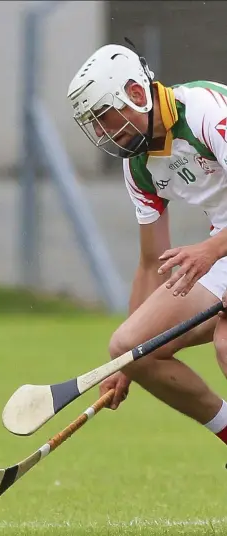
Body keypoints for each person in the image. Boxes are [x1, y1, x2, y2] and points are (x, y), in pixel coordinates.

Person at [67, 43, 227, 447]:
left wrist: (208, 250)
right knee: (126, 344)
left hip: (220, 249)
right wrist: (129, 362)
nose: (104, 132)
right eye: (96, 124)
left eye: (105, 117)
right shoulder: (138, 164)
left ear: (136, 95)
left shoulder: (210, 112)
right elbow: (150, 261)